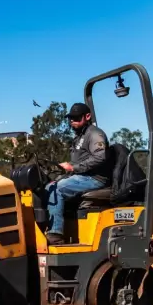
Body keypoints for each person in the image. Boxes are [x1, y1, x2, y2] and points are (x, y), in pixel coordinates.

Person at [45, 102, 111, 245]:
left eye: (76, 118)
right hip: (82, 176)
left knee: (57, 189)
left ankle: (55, 233)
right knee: (48, 185)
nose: (72, 121)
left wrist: (73, 168)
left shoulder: (95, 134)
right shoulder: (79, 137)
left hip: (95, 178)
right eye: (70, 119)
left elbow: (100, 157)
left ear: (87, 116)